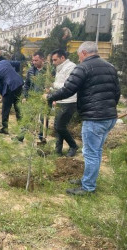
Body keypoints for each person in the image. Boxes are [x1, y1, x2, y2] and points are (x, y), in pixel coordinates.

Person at [47, 41, 120, 195]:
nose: (79, 58)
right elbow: (116, 92)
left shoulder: (83, 67)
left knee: (91, 152)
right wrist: (109, 109)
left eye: (79, 55)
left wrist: (49, 97)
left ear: (84, 53)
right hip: (109, 116)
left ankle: (88, 188)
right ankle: (88, 179)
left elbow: (68, 89)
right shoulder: (110, 67)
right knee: (97, 151)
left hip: (95, 118)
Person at [51, 49, 78, 157]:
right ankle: (58, 150)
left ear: (62, 58)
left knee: (60, 126)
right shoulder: (60, 68)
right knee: (57, 126)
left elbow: (67, 85)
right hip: (61, 100)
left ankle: (73, 145)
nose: (53, 62)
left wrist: (53, 85)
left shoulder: (71, 67)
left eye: (55, 60)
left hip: (69, 100)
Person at [0, 60, 23, 134]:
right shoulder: (4, 61)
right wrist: (15, 73)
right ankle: (22, 127)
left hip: (9, 86)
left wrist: (2, 94)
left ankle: (4, 129)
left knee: (5, 108)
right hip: (19, 83)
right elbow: (18, 63)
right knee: (17, 107)